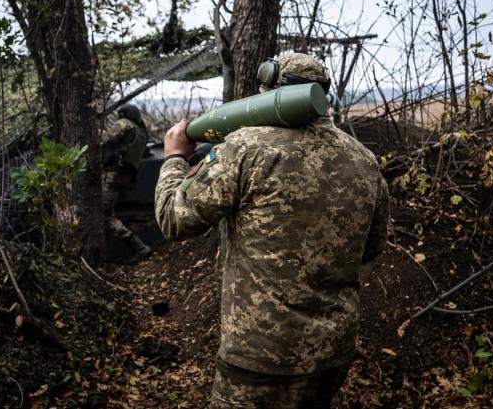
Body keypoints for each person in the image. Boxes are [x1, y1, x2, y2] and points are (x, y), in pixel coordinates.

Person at [154, 52, 389, 408]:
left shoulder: (247, 148)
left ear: (270, 92)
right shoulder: (364, 160)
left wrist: (174, 157)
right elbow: (370, 248)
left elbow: (174, 217)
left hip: (261, 354)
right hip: (332, 353)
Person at [102, 104, 152, 263]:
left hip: (113, 173)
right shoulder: (141, 131)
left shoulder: (125, 124)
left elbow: (102, 139)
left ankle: (139, 247)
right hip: (125, 176)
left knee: (104, 217)